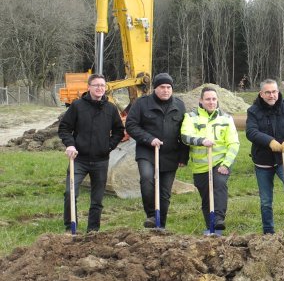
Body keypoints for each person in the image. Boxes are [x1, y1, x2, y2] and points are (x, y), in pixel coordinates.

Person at [58, 74, 125, 232]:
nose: (100, 88)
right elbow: (64, 128)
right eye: (96, 85)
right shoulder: (77, 106)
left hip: (100, 161)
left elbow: (119, 130)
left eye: (102, 85)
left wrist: (108, 146)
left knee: (97, 199)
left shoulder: (110, 108)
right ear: (89, 87)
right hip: (79, 159)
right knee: (70, 193)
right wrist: (70, 145)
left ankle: (93, 231)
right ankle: (70, 227)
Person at [125, 72, 188, 228]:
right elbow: (131, 125)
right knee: (147, 179)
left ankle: (161, 226)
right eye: (162, 87)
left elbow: (185, 132)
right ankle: (152, 215)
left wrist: (183, 156)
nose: (165, 90)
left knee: (165, 192)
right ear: (155, 88)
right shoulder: (142, 103)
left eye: (168, 87)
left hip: (170, 154)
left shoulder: (179, 105)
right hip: (147, 152)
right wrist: (149, 139)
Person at [246, 79, 284, 235]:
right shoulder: (253, 111)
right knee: (266, 199)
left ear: (278, 92)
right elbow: (251, 132)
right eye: (267, 92)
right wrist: (269, 142)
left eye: (274, 92)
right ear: (261, 94)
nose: (271, 95)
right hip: (263, 160)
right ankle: (268, 231)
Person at [181, 86, 240, 231]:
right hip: (201, 166)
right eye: (208, 99)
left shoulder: (226, 119)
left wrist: (226, 164)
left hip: (221, 162)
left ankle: (219, 219)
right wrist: (201, 141)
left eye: (214, 99)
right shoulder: (191, 117)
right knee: (207, 197)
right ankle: (211, 229)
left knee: (218, 182)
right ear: (201, 101)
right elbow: (185, 136)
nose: (211, 102)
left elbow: (233, 143)